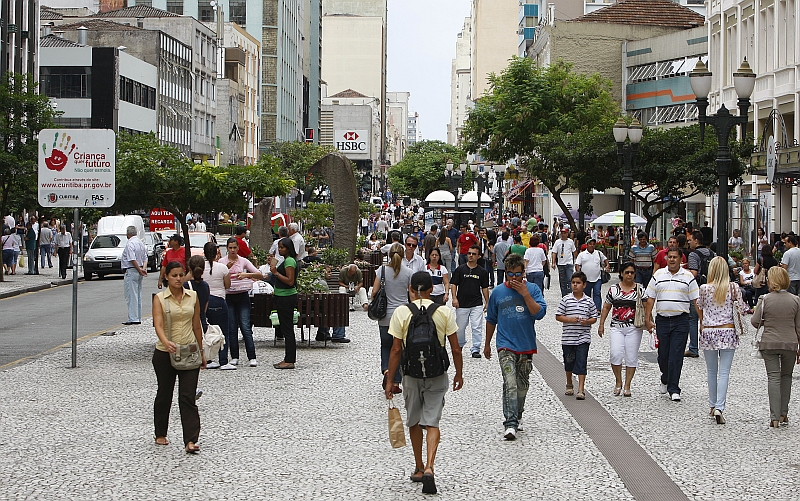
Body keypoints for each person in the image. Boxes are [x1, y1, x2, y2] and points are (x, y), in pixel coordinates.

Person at [385, 272, 463, 495]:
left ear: (410, 288)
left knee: (414, 420)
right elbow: (455, 348)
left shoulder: (401, 312)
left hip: (411, 375)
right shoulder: (443, 312)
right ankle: (430, 466)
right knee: (432, 422)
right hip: (437, 374)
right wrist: (459, 373)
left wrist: (390, 381)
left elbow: (396, 349)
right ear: (431, 289)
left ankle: (419, 467)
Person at [484, 253, 547, 440]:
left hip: (526, 345)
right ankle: (510, 423)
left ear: (523, 273)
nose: (513, 278)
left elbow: (539, 314)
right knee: (510, 383)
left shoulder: (533, 289)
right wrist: (487, 344)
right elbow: (491, 319)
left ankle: (517, 415)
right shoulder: (497, 292)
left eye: (517, 274)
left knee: (522, 386)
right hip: (505, 345)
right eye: (510, 274)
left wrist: (525, 294)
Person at [152, 261, 205, 453]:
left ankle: (191, 440)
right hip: (165, 352)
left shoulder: (193, 296)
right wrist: (165, 341)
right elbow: (158, 323)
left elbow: (197, 324)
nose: (178, 279)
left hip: (189, 351)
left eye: (181, 275)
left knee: (187, 396)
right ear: (166, 276)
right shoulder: (160, 298)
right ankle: (160, 433)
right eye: (174, 275)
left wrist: (201, 350)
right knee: (164, 393)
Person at [695, 256, 748, 425]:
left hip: (709, 331)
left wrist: (703, 321)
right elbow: (742, 308)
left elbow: (699, 305)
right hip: (728, 330)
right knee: (724, 372)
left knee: (711, 371)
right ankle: (720, 407)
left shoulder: (704, 288)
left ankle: (712, 404)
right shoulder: (733, 287)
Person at [644, 247, 700, 402]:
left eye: (675, 257)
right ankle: (665, 377)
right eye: (670, 257)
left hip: (681, 320)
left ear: (681, 259)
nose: (672, 260)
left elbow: (696, 300)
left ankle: (674, 388)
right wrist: (647, 318)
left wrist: (702, 321)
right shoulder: (658, 275)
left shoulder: (688, 277)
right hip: (662, 320)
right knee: (663, 355)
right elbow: (650, 297)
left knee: (676, 355)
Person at [752, 266, 800, 428]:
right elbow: (798, 327)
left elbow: (755, 322)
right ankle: (783, 413)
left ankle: (774, 418)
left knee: (773, 377)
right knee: (786, 376)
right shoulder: (796, 300)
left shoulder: (765, 299)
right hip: (790, 343)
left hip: (770, 343)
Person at [598, 262, 645, 397]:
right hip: (616, 327)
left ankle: (627, 384)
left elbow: (647, 306)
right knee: (615, 353)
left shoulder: (640, 289)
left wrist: (648, 322)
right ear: (621, 274)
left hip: (634, 327)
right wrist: (601, 324)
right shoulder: (613, 289)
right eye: (627, 272)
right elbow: (606, 307)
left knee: (631, 356)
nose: (629, 275)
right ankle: (618, 380)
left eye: (632, 272)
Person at [372, 243, 413, 393]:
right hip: (402, 315)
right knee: (399, 348)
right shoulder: (409, 272)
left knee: (386, 345)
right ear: (403, 256)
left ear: (389, 255)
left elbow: (374, 292)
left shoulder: (381, 270)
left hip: (385, 316)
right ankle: (395, 382)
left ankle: (386, 370)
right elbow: (412, 295)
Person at [220, 237, 263, 367]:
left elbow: (259, 274)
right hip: (229, 295)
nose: (232, 250)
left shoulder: (243, 261)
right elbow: (217, 277)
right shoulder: (222, 262)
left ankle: (252, 356)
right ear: (227, 248)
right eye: (230, 248)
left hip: (242, 294)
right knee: (232, 327)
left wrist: (246, 275)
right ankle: (235, 356)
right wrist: (226, 269)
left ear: (238, 248)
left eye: (234, 247)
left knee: (245, 326)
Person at [555, 272, 598, 400]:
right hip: (568, 338)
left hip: (583, 337)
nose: (575, 285)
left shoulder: (589, 301)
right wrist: (569, 320)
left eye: (578, 283)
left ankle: (581, 389)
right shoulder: (566, 299)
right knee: (569, 361)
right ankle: (569, 383)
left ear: (584, 285)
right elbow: (558, 316)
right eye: (573, 282)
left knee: (581, 361)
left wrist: (587, 321)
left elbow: (594, 317)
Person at [450, 245, 490, 358]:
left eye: (473, 254)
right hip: (462, 304)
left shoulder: (482, 272)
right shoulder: (460, 269)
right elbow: (454, 284)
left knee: (477, 327)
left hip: (476, 304)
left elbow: (485, 288)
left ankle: (476, 349)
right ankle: (460, 344)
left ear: (478, 256)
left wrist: (487, 302)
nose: (471, 255)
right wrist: (454, 298)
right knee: (460, 328)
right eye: (469, 253)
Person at [200, 242, 232, 370]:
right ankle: (223, 360)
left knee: (206, 330)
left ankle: (207, 359)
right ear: (217, 253)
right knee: (223, 331)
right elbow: (228, 285)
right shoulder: (223, 268)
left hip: (204, 300)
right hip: (219, 300)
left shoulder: (200, 267)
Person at [271, 238, 300, 368]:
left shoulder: (289, 261)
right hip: (282, 296)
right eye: (279, 247)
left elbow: (290, 281)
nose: (280, 249)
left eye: (282, 247)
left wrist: (276, 273)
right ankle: (288, 358)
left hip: (286, 297)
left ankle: (289, 359)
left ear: (288, 248)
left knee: (287, 329)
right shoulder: (286, 260)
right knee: (285, 328)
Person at [686, 230, 716, 357]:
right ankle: (714, 345)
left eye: (690, 240)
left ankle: (693, 348)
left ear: (696, 241)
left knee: (693, 319)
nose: (689, 243)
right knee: (711, 318)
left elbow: (693, 273)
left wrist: (683, 271)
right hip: (712, 289)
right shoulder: (712, 253)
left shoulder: (693, 254)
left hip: (697, 290)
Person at [121, 226, 147, 325]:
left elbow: (132, 259)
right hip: (139, 269)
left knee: (131, 295)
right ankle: (138, 316)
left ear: (128, 234)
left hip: (132, 270)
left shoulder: (130, 244)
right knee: (138, 294)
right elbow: (145, 258)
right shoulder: (140, 243)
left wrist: (139, 270)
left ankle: (133, 318)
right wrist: (143, 268)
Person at [575, 238, 609, 312]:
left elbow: (605, 259)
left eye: (593, 244)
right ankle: (587, 309)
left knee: (597, 293)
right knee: (586, 295)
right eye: (590, 244)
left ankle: (597, 309)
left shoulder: (598, 253)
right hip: (586, 279)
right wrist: (579, 274)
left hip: (597, 278)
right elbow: (577, 264)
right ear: (587, 245)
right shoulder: (582, 254)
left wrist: (607, 265)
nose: (592, 245)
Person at [551, 228, 577, 297]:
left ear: (567, 234)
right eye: (562, 233)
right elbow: (554, 252)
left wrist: (577, 261)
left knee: (570, 279)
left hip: (569, 263)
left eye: (564, 233)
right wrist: (553, 262)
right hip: (561, 264)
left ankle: (572, 295)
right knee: (562, 281)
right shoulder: (557, 242)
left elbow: (574, 251)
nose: (563, 235)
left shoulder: (570, 242)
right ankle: (564, 296)